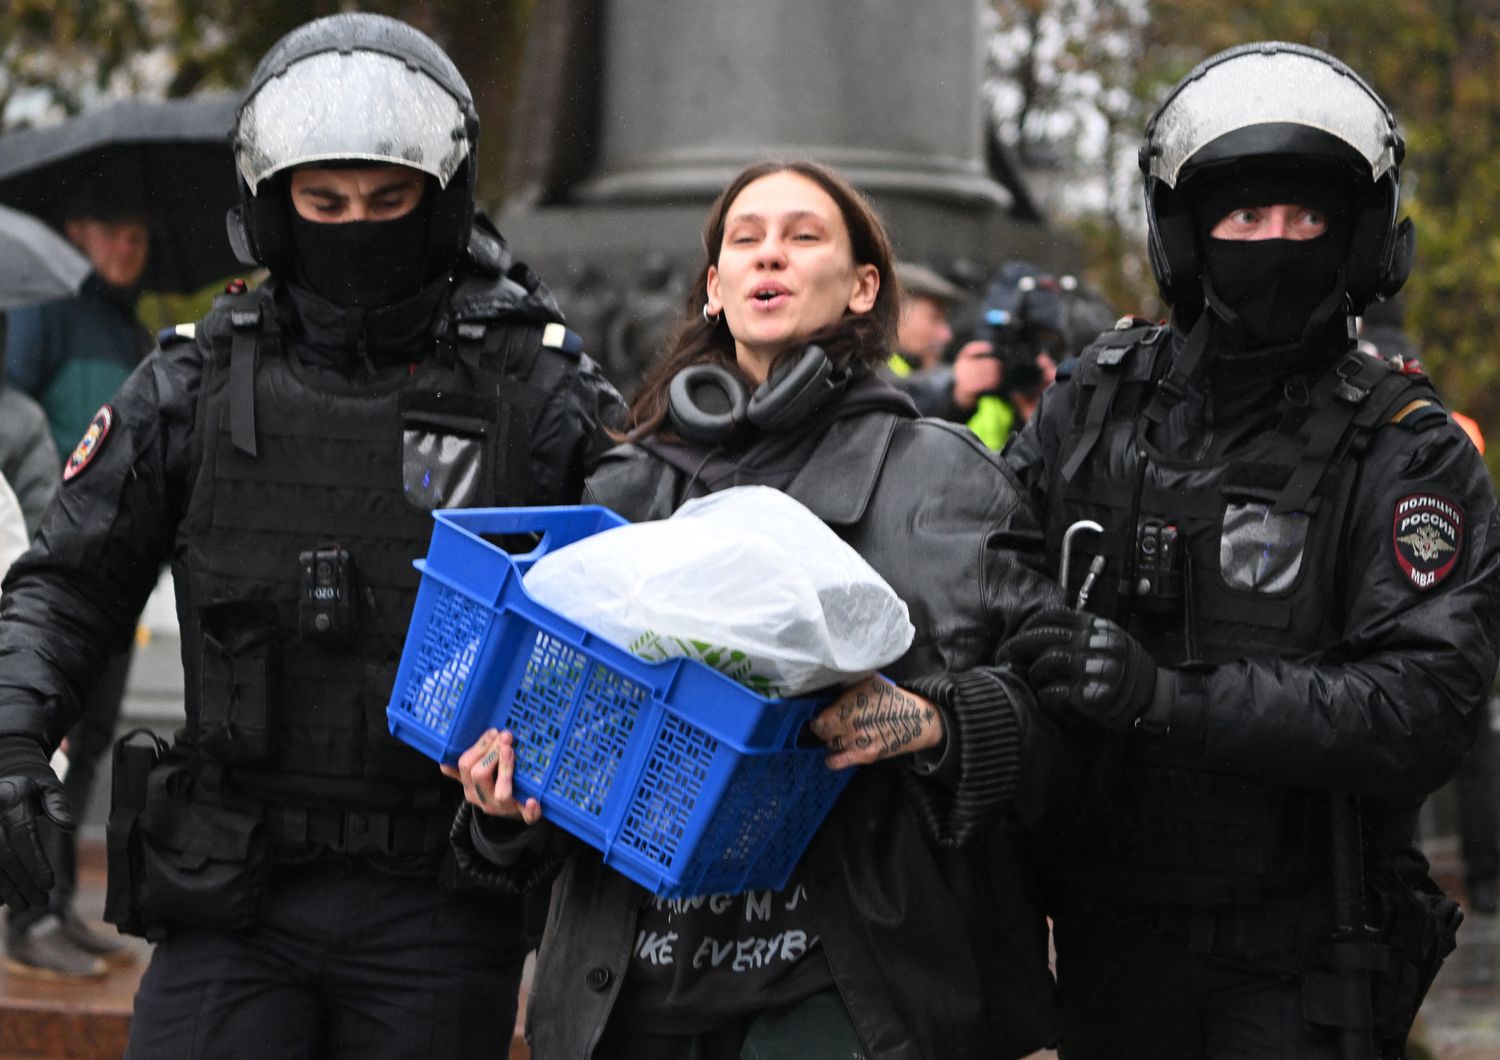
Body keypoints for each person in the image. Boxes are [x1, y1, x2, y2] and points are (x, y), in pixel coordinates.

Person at [0, 11, 623, 1056]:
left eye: (388, 200)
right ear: (273, 205)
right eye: (324, 201)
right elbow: (69, 582)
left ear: (441, 201)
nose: (357, 226)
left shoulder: (536, 388)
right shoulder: (195, 378)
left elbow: (637, 600)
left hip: (439, 893)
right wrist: (15, 733)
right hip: (232, 889)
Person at [445, 160, 1071, 1059]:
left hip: (849, 1000)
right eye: (745, 239)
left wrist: (939, 724)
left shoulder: (945, 482)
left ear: (863, 288)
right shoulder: (623, 492)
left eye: (803, 235)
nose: (769, 254)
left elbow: (1060, 731)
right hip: (628, 1001)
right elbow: (561, 759)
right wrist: (500, 819)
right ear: (714, 288)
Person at [1003, 42, 1500, 1058]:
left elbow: (1424, 705)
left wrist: (1165, 698)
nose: (1273, 241)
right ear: (1185, 238)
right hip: (1103, 939)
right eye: (1243, 217)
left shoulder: (1407, 447)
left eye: (1305, 217)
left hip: (1301, 952)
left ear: (1361, 242)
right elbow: (984, 572)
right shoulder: (1092, 406)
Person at [1, 184, 152, 980]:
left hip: (120, 567)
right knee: (47, 743)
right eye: (108, 227)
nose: (125, 247)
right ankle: (27, 919)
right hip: (61, 563)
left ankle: (57, 906)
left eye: (136, 233)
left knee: (88, 743)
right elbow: (16, 410)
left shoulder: (135, 329)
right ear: (75, 231)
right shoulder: (47, 311)